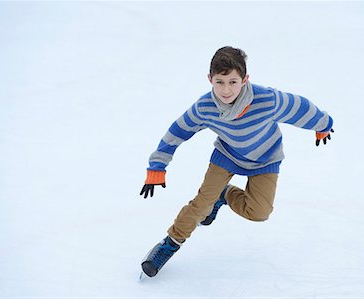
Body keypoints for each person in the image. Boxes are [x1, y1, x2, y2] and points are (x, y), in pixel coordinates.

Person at [139, 46, 334, 278]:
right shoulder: (205, 107)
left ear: (245, 80)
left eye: (233, 82)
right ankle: (170, 243)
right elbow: (177, 132)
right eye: (219, 82)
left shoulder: (267, 100)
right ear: (210, 79)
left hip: (265, 159)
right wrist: (157, 167)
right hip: (228, 156)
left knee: (259, 212)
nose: (226, 90)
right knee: (202, 204)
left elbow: (299, 107)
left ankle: (224, 195)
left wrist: (322, 124)